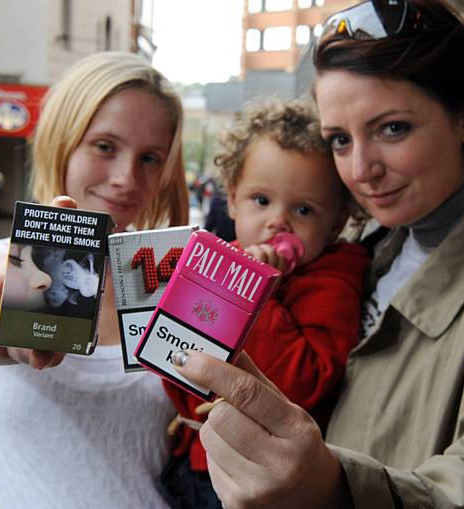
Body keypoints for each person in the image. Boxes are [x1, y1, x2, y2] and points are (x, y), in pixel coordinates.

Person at [165, 1, 464, 508]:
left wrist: (332, 489)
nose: (360, 170)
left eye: (392, 128)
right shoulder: (377, 236)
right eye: (338, 139)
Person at [0, 51, 189, 509]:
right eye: (105, 146)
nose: (127, 178)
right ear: (61, 139)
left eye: (150, 158)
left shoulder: (166, 281)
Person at [159, 98, 369, 508]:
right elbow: (175, 353)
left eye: (304, 209)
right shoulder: (217, 260)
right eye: (261, 200)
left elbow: (304, 382)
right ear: (233, 199)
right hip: (191, 456)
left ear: (337, 223)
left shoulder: (334, 283)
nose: (278, 221)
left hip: (254, 478)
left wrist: (255, 292)